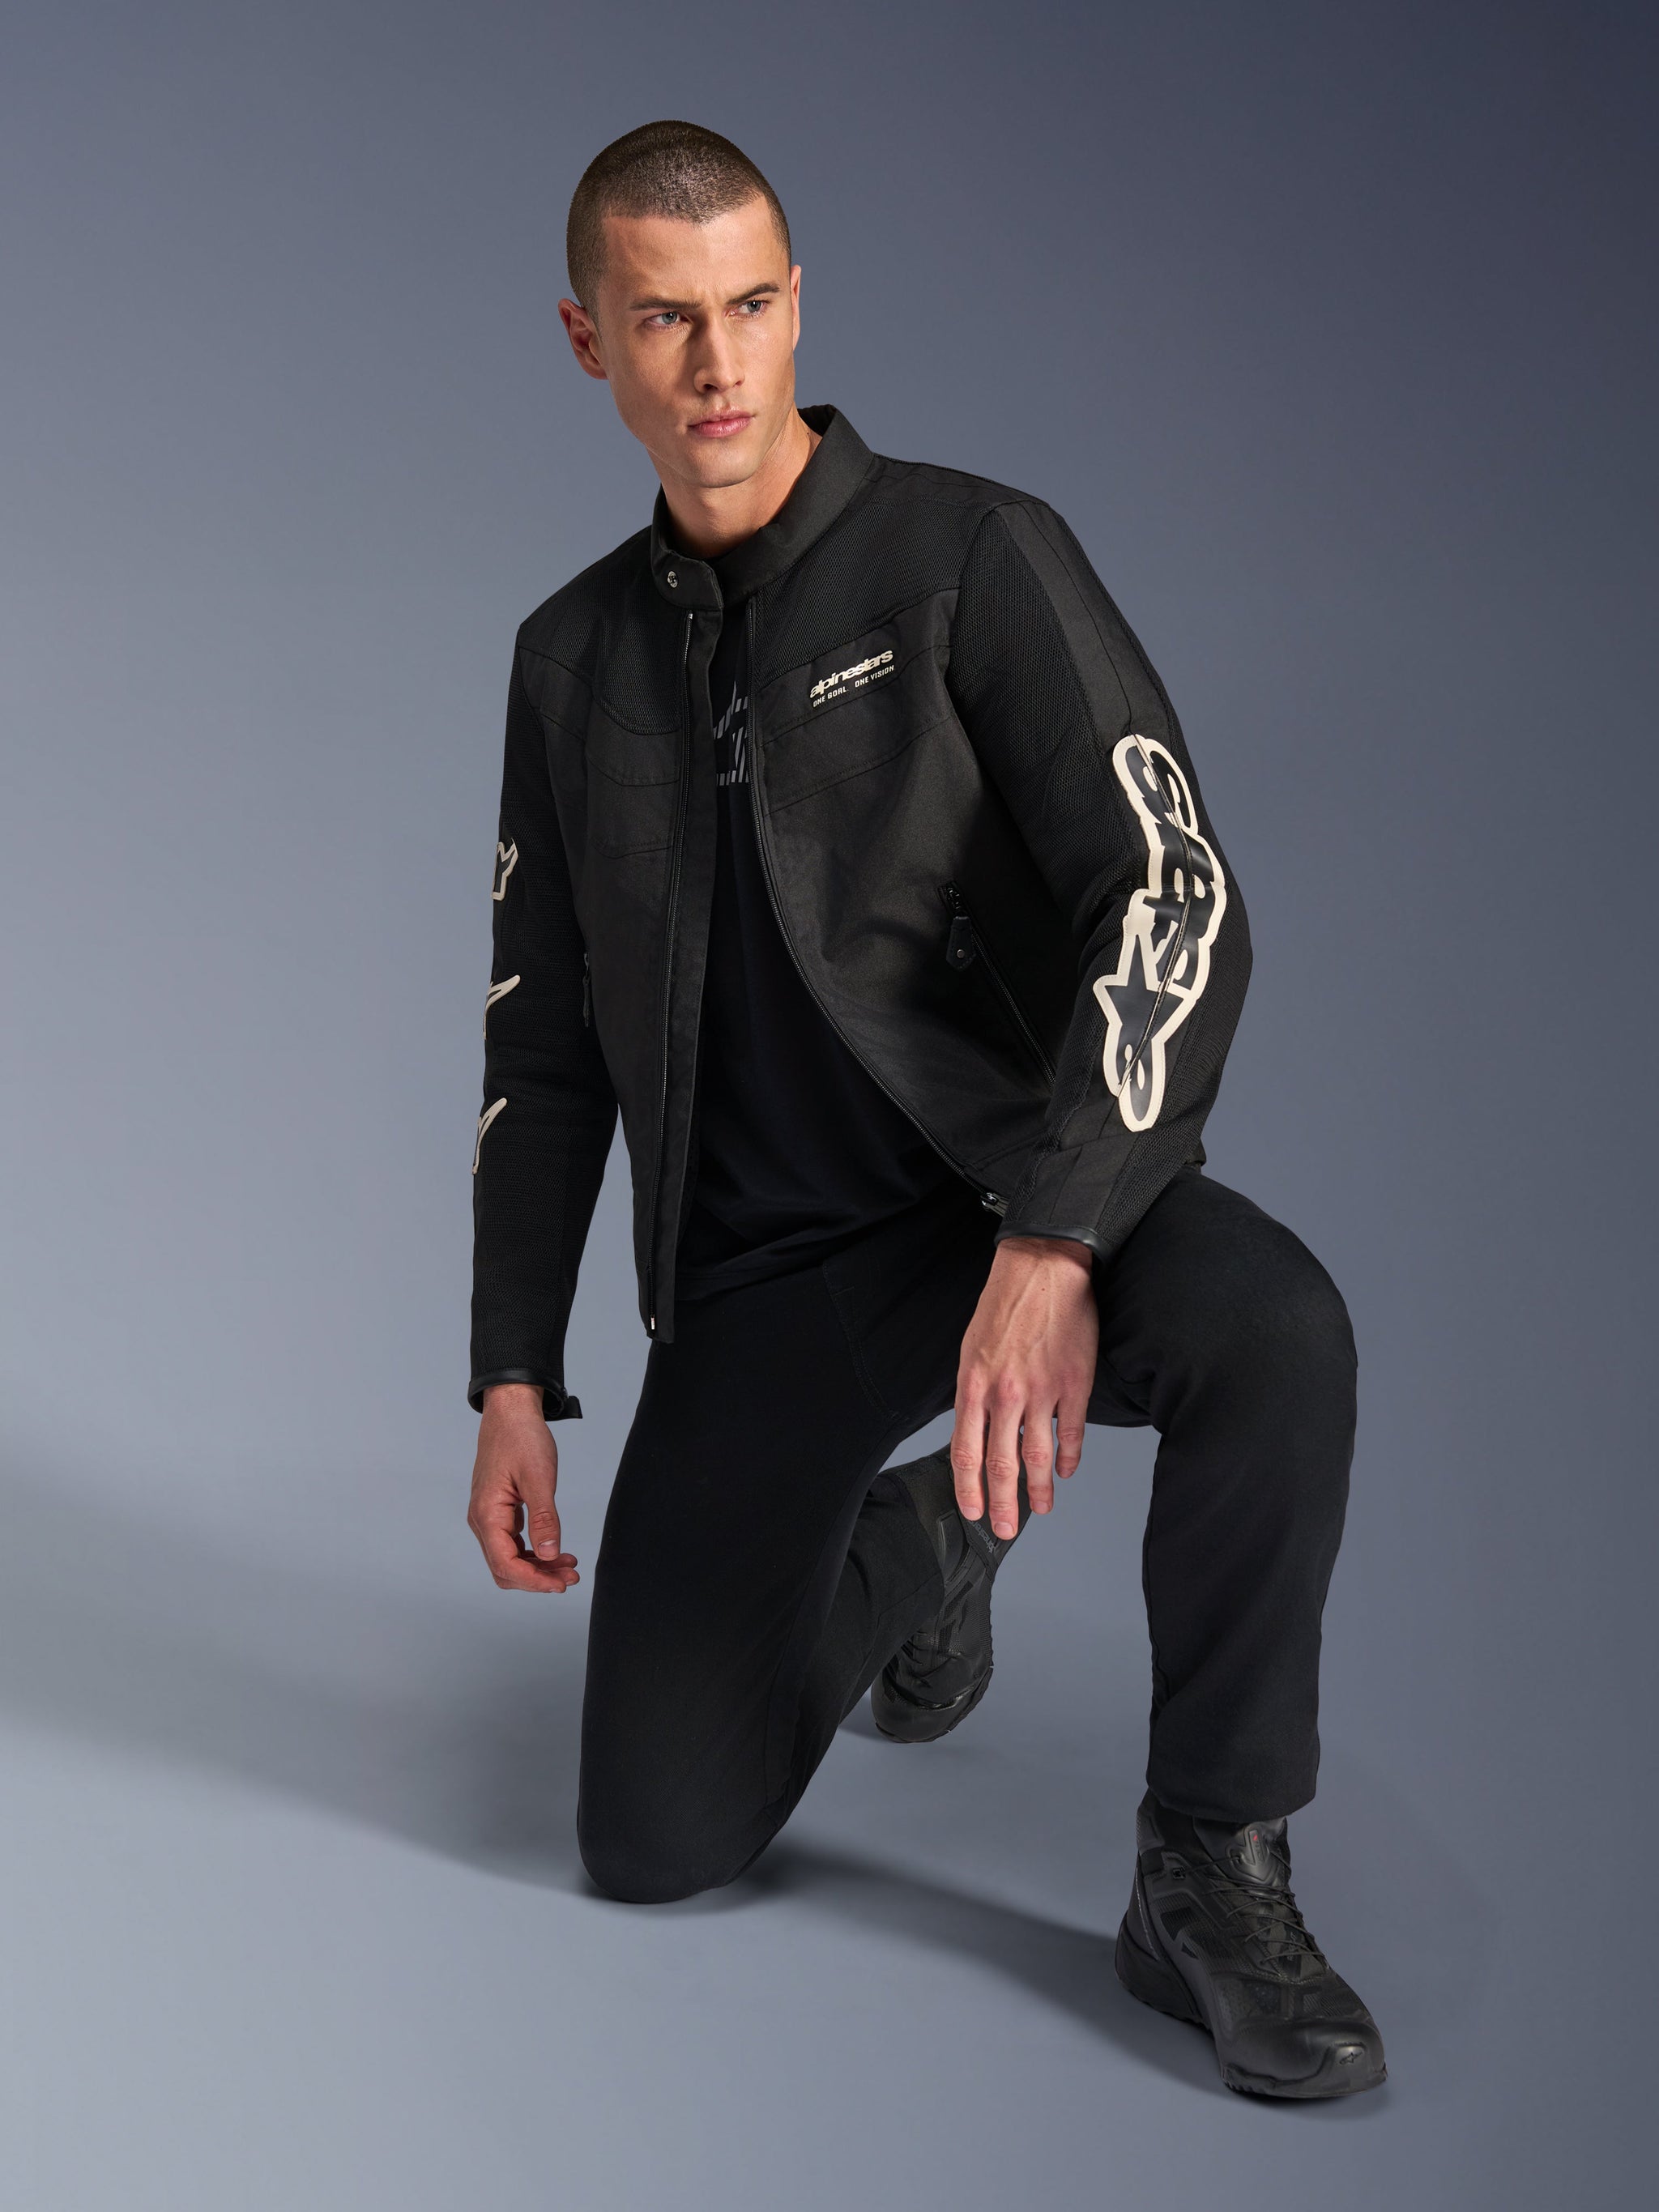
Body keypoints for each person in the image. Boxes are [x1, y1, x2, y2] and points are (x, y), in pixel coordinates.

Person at [465, 120, 1384, 2101]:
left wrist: (1055, 1234)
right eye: (664, 320)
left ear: (797, 303)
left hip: (1011, 1190)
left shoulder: (970, 555)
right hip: (767, 1278)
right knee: (653, 1838)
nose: (719, 363)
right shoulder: (571, 663)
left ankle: (1207, 1863)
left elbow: (1174, 892)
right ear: (588, 339)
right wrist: (513, 1373)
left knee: (1277, 1331)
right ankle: (925, 1544)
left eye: (751, 305)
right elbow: (541, 1049)